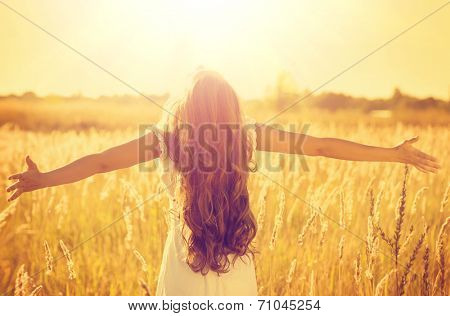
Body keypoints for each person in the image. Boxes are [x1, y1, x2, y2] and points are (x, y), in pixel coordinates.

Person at [6, 70, 440, 295]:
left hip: (182, 270)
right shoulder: (246, 135)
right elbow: (322, 146)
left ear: (186, 105)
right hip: (237, 268)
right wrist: (393, 153)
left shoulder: (164, 141)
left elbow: (99, 163)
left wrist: (44, 180)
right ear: (229, 105)